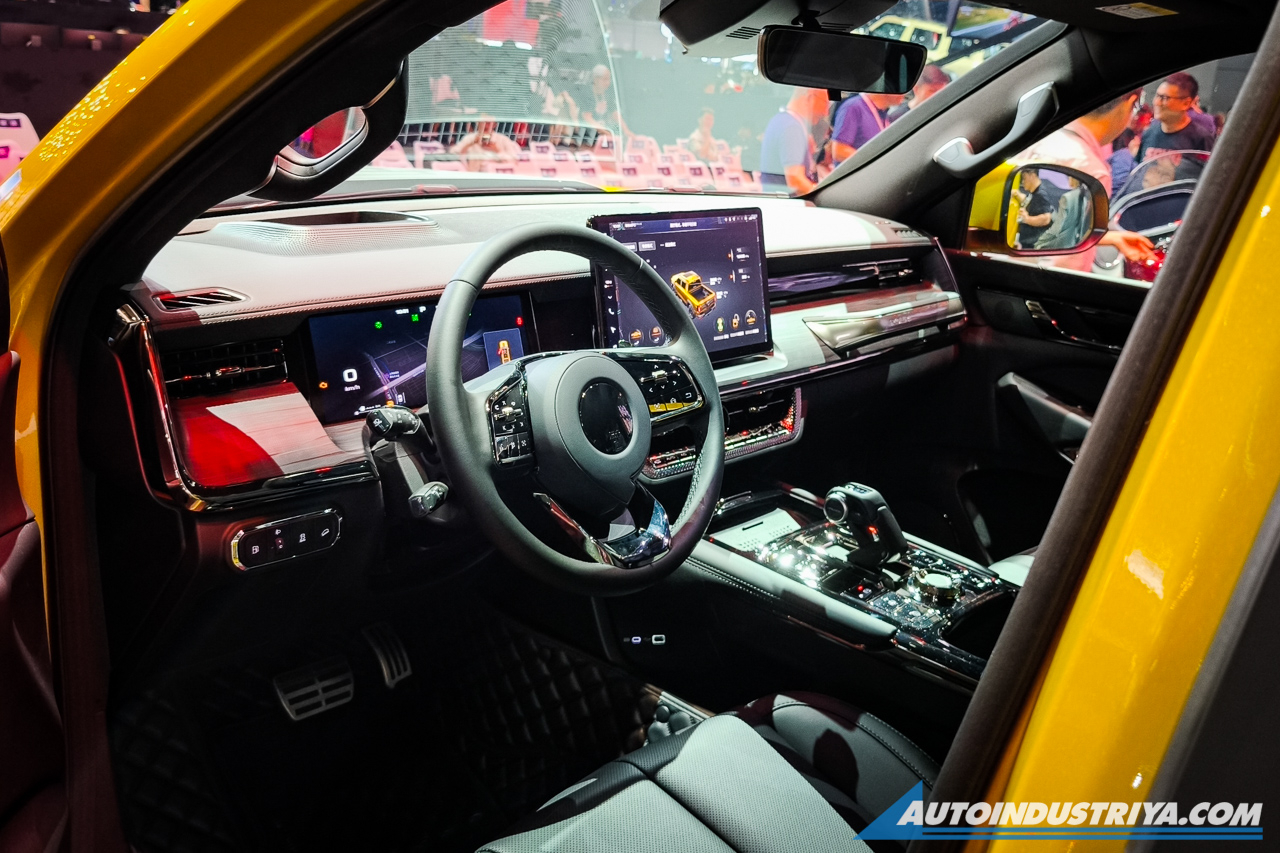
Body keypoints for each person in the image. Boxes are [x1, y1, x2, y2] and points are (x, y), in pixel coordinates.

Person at [1017, 89, 1156, 270]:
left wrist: (1106, 237)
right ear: (1129, 102)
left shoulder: (1040, 140)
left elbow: (1053, 227)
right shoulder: (1089, 170)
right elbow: (1062, 265)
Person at [758, 88, 828, 194]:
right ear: (810, 97)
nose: (825, 112)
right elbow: (795, 181)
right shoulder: (791, 127)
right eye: (825, 103)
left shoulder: (783, 121)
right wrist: (822, 197)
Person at [1138, 72, 1216, 161]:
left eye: (1164, 98)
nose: (1156, 102)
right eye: (1157, 96)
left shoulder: (1201, 139)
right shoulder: (1148, 134)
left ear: (1186, 103)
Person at [828, 91, 905, 165]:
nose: (904, 93)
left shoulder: (883, 113)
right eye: (900, 86)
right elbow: (839, 151)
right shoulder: (853, 107)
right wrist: (875, 163)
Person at [1014, 168, 1065, 249]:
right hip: (1030, 242)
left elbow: (1046, 218)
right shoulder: (1036, 192)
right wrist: (1018, 195)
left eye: (1024, 177)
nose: (1023, 181)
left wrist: (1026, 219)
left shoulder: (1041, 194)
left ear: (1032, 175)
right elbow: (1033, 203)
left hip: (1034, 244)